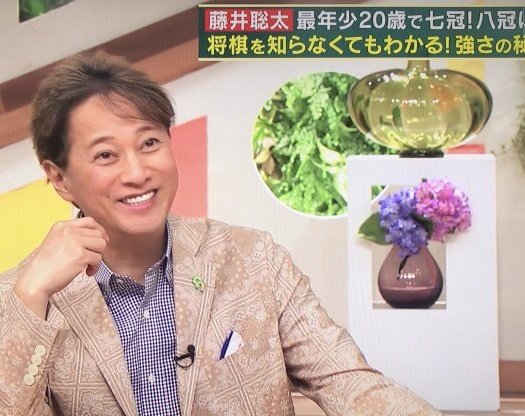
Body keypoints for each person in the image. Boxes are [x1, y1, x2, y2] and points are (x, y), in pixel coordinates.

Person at [0, 52, 442, 416]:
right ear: (59, 178)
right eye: (105, 155)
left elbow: (347, 381)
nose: (137, 172)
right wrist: (31, 297)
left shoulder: (253, 258)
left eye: (149, 143)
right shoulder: (23, 298)